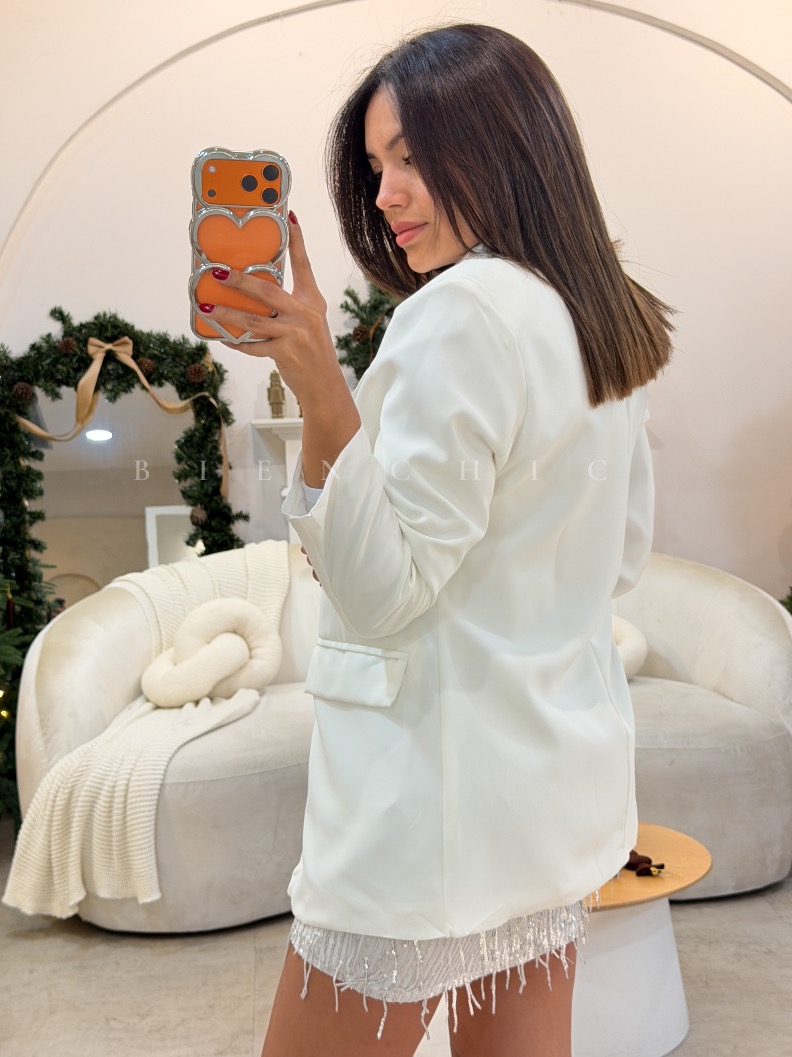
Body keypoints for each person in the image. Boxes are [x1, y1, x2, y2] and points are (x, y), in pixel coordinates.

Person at [203, 22, 673, 1057]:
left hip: (423, 810)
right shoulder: (599, 313)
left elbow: (383, 594)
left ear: (503, 146)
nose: (385, 195)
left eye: (412, 157)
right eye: (378, 167)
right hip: (550, 794)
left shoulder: (459, 315)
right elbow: (624, 555)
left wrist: (321, 389)